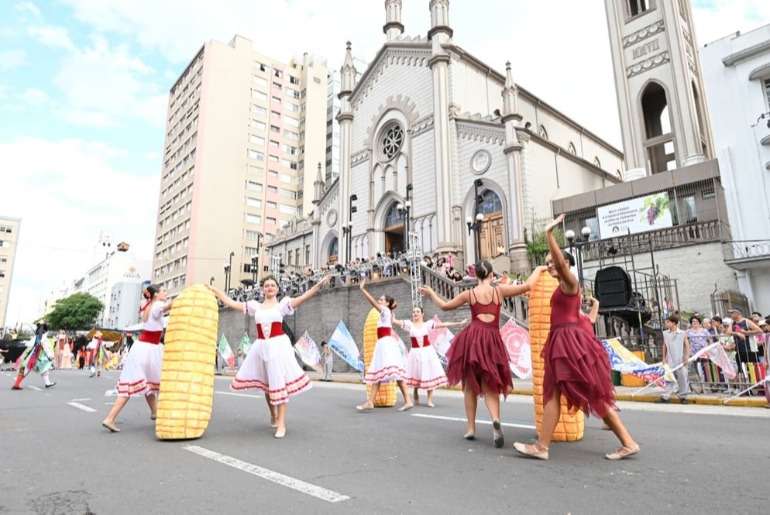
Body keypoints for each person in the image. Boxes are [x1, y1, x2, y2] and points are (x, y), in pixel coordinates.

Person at [513, 214, 639, 461]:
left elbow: (560, 266)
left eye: (552, 262)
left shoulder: (570, 281)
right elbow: (583, 316)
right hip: (561, 341)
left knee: (590, 393)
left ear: (566, 264)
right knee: (554, 392)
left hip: (568, 344)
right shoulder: (563, 286)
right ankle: (543, 446)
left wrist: (549, 234)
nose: (549, 265)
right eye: (547, 262)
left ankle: (628, 441)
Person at [420, 260, 540, 448]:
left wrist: (431, 293)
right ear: (492, 275)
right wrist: (539, 268)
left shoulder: (470, 294)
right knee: (489, 383)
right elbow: (528, 285)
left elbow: (444, 306)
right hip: (492, 338)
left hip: (473, 338)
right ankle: (495, 419)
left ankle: (471, 428)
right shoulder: (499, 290)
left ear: (476, 276)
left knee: (469, 384)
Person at [208, 273, 331, 438]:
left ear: (278, 289)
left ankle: (281, 424)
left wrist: (318, 285)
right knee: (267, 384)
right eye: (266, 286)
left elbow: (302, 298)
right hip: (261, 347)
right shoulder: (255, 307)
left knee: (278, 382)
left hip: (278, 346)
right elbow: (231, 303)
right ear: (262, 290)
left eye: (273, 285)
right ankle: (273, 414)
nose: (270, 288)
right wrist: (216, 291)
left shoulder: (282, 305)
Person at [101, 285, 173, 433]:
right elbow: (168, 306)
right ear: (156, 295)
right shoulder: (158, 304)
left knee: (148, 382)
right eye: (164, 291)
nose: (166, 293)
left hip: (144, 348)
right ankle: (110, 418)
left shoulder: (147, 306)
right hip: (149, 349)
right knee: (133, 385)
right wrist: (184, 296)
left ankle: (155, 411)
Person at [356, 278, 413, 412]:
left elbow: (372, 302)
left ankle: (408, 400)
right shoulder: (389, 313)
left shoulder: (385, 311)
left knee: (390, 372)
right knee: (379, 373)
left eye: (382, 300)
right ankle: (370, 401)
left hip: (385, 343)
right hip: (384, 343)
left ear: (386, 303)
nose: (379, 301)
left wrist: (363, 289)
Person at [393, 306, 466, 408]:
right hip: (415, 353)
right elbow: (395, 321)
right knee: (417, 374)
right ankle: (415, 391)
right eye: (414, 312)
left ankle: (429, 399)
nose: (415, 313)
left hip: (427, 352)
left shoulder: (428, 324)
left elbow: (443, 324)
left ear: (422, 314)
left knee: (428, 374)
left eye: (418, 311)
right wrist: (388, 312)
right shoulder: (409, 324)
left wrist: (459, 323)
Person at [657, 314, 691, 404]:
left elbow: (687, 346)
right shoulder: (666, 333)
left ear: (674, 323)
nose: (667, 323)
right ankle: (665, 396)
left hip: (680, 358)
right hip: (670, 358)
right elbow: (665, 346)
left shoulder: (682, 333)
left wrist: (686, 357)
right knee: (669, 377)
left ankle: (683, 396)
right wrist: (664, 357)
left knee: (682, 377)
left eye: (668, 322)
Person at [11, 323, 56, 390]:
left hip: (29, 355)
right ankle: (16, 385)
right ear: (46, 330)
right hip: (36, 357)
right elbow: (46, 348)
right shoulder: (43, 338)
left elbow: (27, 344)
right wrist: (50, 356)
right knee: (29, 369)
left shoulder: (36, 337)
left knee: (43, 368)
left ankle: (47, 383)